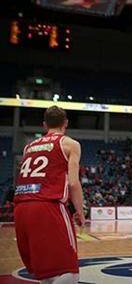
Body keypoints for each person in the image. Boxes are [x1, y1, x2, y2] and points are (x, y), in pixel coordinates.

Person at [14, 106, 84, 284]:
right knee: (69, 271)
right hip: (47, 205)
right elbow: (73, 183)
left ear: (45, 125)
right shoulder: (70, 144)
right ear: (66, 123)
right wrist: (80, 211)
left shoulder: (28, 147)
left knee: (48, 273)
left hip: (21, 208)